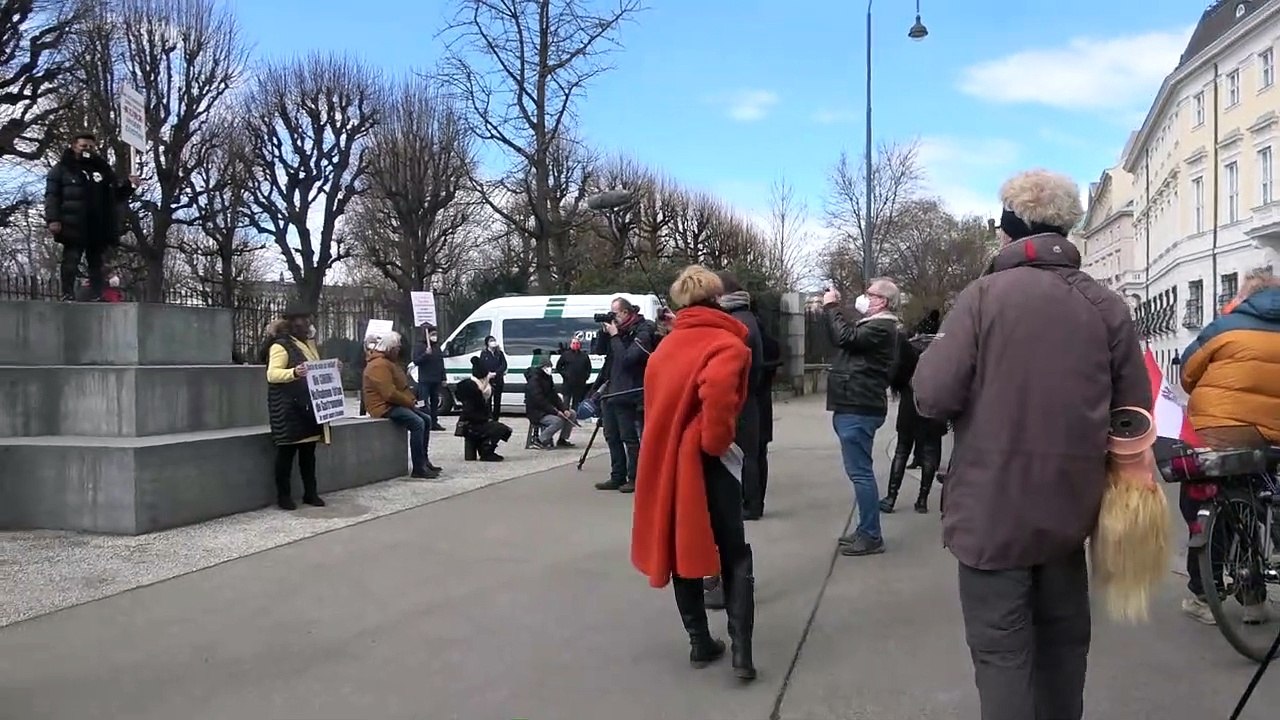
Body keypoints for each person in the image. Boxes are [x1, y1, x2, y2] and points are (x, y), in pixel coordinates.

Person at [913, 169, 1150, 720]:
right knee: (1064, 654)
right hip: (1071, 514)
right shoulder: (1106, 306)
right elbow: (1132, 418)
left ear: (1011, 229)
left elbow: (931, 397)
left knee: (1002, 657)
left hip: (990, 518)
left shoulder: (981, 297)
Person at [631, 264, 756, 681]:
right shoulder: (727, 344)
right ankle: (742, 654)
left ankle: (699, 642)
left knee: (683, 550)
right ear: (717, 298)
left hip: (669, 464)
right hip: (707, 462)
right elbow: (718, 397)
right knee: (734, 552)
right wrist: (713, 442)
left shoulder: (664, 350)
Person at [1177, 267, 1280, 626]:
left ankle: (1203, 595)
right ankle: (1253, 599)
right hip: (1273, 435)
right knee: (1258, 499)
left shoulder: (1225, 327)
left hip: (1220, 432)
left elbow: (1188, 372)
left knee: (1204, 497)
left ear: (1245, 296)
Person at [823, 277, 901, 557]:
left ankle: (870, 535)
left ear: (883, 301)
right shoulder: (874, 325)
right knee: (859, 472)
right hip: (853, 403)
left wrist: (832, 308)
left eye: (870, 294)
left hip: (859, 406)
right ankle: (865, 529)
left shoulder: (882, 326)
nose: (865, 297)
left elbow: (844, 338)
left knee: (861, 474)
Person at [44, 132, 140, 302]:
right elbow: (52, 196)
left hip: (97, 224)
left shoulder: (102, 171)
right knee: (71, 259)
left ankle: (97, 294)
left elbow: (114, 196)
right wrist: (53, 219)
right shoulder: (61, 170)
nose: (87, 150)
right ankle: (67, 293)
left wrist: (129, 186)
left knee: (96, 263)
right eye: (83, 146)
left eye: (90, 147)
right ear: (74, 146)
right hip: (72, 222)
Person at [264, 304, 334, 510]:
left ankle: (310, 493)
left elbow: (315, 369)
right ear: (294, 324)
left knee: (308, 454)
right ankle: (283, 496)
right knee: (286, 455)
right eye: (305, 320)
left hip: (306, 407)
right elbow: (272, 374)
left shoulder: (308, 344)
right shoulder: (280, 346)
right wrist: (294, 372)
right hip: (288, 407)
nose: (309, 324)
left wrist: (332, 369)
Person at [879, 315, 947, 513]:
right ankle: (922, 500)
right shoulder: (946, 349)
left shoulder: (910, 346)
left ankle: (891, 497)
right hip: (936, 404)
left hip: (910, 403)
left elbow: (897, 374)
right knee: (930, 454)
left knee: (902, 450)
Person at [590, 297, 657, 493]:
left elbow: (629, 359)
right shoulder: (616, 332)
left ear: (627, 313)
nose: (614, 317)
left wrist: (615, 336)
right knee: (611, 436)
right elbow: (599, 351)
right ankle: (616, 476)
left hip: (629, 390)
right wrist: (606, 334)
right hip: (610, 389)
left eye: (616, 313)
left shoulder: (643, 330)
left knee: (629, 437)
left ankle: (634, 477)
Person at [717, 271, 765, 520]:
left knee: (745, 455)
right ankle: (752, 502)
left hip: (741, 400)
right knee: (752, 454)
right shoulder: (747, 316)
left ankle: (748, 504)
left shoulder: (737, 323)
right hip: (751, 398)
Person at [363, 331, 441, 480]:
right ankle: (418, 467)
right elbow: (389, 393)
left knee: (426, 419)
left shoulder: (387, 362)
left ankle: (424, 461)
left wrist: (410, 400)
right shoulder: (378, 365)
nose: (399, 350)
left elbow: (400, 387)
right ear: (390, 348)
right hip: (383, 406)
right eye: (397, 347)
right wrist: (409, 402)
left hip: (392, 403)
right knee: (417, 423)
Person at [455, 356, 513, 461]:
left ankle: (481, 448)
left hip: (469, 423)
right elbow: (472, 412)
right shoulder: (475, 391)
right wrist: (486, 419)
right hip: (472, 424)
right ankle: (486, 451)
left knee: (492, 426)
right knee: (502, 429)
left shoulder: (471, 387)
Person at [524, 354, 576, 449]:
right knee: (558, 421)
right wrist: (556, 412)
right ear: (541, 367)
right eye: (547, 367)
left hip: (548, 409)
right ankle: (539, 440)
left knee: (572, 413)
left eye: (550, 367)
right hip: (537, 412)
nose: (549, 369)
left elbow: (554, 396)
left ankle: (563, 439)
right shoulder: (534, 380)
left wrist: (564, 409)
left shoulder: (548, 378)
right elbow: (540, 401)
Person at [413, 322, 447, 431]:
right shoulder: (420, 347)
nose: (434, 337)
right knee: (423, 401)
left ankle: (434, 422)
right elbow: (416, 361)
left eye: (435, 334)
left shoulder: (437, 348)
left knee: (435, 401)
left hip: (436, 379)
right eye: (432, 334)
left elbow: (441, 363)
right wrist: (425, 354)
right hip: (425, 379)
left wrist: (443, 377)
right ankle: (424, 420)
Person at [554, 338, 592, 410]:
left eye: (577, 343)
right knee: (566, 403)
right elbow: (558, 367)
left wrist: (585, 377)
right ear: (571, 344)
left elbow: (588, 368)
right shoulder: (565, 355)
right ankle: (565, 418)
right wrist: (565, 375)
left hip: (579, 384)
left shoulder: (584, 356)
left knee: (576, 403)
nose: (575, 345)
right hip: (568, 384)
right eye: (574, 343)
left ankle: (574, 419)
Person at [478, 335, 508, 420]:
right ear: (487, 343)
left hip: (498, 379)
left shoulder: (499, 353)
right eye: (491, 341)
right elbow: (482, 365)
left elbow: (504, 365)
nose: (493, 342)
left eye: (494, 340)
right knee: (488, 400)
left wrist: (496, 373)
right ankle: (489, 417)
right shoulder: (484, 354)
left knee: (497, 400)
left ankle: (496, 418)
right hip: (488, 380)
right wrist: (488, 373)